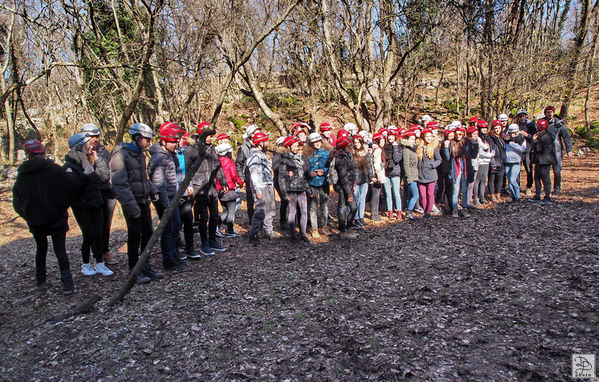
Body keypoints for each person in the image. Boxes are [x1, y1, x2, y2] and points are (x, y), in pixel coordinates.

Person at [13, 140, 75, 294]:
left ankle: (41, 282)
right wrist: (60, 209)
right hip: (57, 218)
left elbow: (17, 201)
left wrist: (28, 215)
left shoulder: (22, 176)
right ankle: (67, 284)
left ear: (28, 155)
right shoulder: (55, 170)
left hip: (36, 220)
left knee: (41, 249)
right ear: (43, 152)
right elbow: (69, 191)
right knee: (60, 250)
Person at [110, 122, 163, 284]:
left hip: (143, 201)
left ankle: (145, 265)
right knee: (135, 237)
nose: (149, 143)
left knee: (147, 234)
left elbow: (142, 179)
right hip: (132, 203)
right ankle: (133, 270)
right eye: (147, 139)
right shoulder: (121, 155)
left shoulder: (140, 154)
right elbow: (119, 183)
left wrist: (152, 189)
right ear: (137, 138)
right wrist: (132, 207)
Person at [64, 133, 113, 277]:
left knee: (99, 234)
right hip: (82, 206)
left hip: (96, 202)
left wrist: (97, 159)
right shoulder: (69, 166)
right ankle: (86, 264)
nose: (91, 145)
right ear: (79, 146)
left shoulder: (90, 160)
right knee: (89, 235)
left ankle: (99, 263)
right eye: (87, 143)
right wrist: (85, 175)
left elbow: (104, 177)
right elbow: (72, 188)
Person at [148, 123, 186, 271]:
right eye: (172, 141)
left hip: (174, 197)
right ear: (163, 141)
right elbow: (158, 184)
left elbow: (177, 177)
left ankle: (174, 254)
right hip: (166, 200)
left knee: (175, 227)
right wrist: (165, 204)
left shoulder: (172, 156)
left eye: (176, 141)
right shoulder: (158, 158)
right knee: (168, 229)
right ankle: (168, 259)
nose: (175, 144)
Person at [186, 123, 227, 256]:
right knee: (203, 217)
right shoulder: (192, 150)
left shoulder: (212, 149)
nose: (210, 138)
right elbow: (187, 171)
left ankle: (212, 240)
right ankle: (204, 244)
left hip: (212, 187)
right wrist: (190, 185)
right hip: (199, 188)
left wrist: (223, 181)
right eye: (208, 135)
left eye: (211, 136)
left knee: (214, 215)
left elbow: (218, 167)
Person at [81, 123, 118, 265]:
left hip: (106, 192)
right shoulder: (81, 154)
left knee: (105, 225)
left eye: (97, 136)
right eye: (92, 136)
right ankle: (94, 253)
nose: (95, 139)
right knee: (93, 227)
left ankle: (104, 251)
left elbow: (109, 171)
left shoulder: (103, 151)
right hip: (91, 194)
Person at [247, 131, 278, 245]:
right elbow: (254, 173)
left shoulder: (263, 154)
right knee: (260, 210)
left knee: (270, 209)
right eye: (265, 141)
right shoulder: (254, 155)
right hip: (260, 186)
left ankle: (268, 230)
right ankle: (254, 234)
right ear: (259, 142)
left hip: (268, 184)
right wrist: (257, 189)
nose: (267, 143)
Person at [278, 136, 310, 243]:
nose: (297, 148)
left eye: (297, 146)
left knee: (304, 211)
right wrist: (284, 194)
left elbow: (306, 172)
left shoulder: (301, 158)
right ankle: (293, 235)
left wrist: (308, 189)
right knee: (292, 212)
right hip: (291, 189)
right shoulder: (284, 160)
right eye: (295, 146)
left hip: (302, 188)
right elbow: (281, 178)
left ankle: (303, 234)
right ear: (289, 147)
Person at [175, 131, 201, 259]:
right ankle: (176, 248)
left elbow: (187, 170)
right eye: (178, 139)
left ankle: (190, 248)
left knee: (188, 220)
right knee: (175, 223)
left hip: (185, 191)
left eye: (181, 139)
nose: (180, 141)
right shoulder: (169, 155)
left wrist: (189, 183)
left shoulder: (182, 153)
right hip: (174, 193)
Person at [330, 129, 358, 238]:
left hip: (348, 185)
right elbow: (343, 177)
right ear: (343, 146)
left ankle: (348, 226)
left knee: (352, 208)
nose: (351, 146)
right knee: (344, 206)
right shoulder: (340, 159)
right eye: (349, 145)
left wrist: (354, 180)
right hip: (342, 186)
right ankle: (343, 229)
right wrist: (349, 193)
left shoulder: (348, 155)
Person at [215, 138, 244, 237]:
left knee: (225, 211)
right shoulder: (229, 162)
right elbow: (234, 175)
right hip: (229, 189)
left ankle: (216, 226)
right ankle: (229, 230)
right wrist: (241, 183)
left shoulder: (216, 161)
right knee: (231, 211)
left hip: (219, 190)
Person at [542, 105, 573, 195]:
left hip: (557, 150)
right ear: (545, 113)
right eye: (548, 112)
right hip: (545, 151)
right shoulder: (542, 123)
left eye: (551, 112)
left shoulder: (559, 124)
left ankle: (557, 189)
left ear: (554, 113)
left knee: (557, 171)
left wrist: (569, 150)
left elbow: (566, 137)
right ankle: (546, 188)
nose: (549, 114)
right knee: (545, 172)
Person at [304, 132, 331, 237]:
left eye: (318, 141)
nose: (317, 144)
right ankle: (314, 228)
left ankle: (324, 226)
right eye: (314, 142)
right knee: (313, 206)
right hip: (312, 182)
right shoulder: (307, 155)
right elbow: (304, 168)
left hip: (324, 182)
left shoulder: (327, 153)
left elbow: (332, 167)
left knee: (324, 206)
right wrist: (309, 173)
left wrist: (324, 171)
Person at [236, 124, 261, 222]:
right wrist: (241, 177)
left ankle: (260, 219)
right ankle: (252, 219)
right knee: (250, 199)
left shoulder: (260, 145)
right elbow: (239, 163)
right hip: (248, 175)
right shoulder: (243, 148)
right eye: (256, 131)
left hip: (259, 176)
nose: (258, 133)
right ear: (251, 134)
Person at [417, 128, 442, 219]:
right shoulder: (419, 147)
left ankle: (428, 212)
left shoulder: (434, 148)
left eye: (430, 136)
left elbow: (439, 159)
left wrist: (432, 165)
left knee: (430, 193)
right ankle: (424, 210)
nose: (428, 138)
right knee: (423, 195)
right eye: (426, 136)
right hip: (420, 175)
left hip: (431, 174)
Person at [352, 134, 375, 227]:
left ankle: (361, 216)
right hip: (355, 179)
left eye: (358, 142)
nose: (357, 144)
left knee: (362, 199)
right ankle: (356, 218)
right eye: (355, 142)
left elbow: (369, 165)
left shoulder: (365, 152)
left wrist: (371, 176)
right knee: (356, 199)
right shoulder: (352, 153)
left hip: (364, 178)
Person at [530, 119, 555, 204]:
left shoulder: (545, 137)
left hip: (545, 161)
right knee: (537, 178)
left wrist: (533, 140)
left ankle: (547, 197)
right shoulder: (541, 136)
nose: (537, 129)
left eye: (539, 127)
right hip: (539, 160)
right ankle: (537, 195)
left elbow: (538, 148)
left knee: (546, 179)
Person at [514, 109, 537, 196]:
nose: (522, 118)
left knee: (528, 168)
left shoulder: (530, 125)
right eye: (520, 116)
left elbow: (535, 138)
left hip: (527, 150)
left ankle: (529, 186)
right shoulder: (516, 125)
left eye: (523, 116)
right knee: (517, 169)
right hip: (518, 150)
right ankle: (517, 186)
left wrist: (527, 135)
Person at [472, 120, 494, 205]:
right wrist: (490, 155)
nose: (484, 130)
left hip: (486, 161)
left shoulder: (486, 138)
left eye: (485, 128)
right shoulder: (478, 138)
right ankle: (476, 197)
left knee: (484, 180)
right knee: (477, 180)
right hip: (480, 161)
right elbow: (480, 151)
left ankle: (482, 196)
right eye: (482, 128)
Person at [383, 128, 403, 221]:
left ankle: (399, 211)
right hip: (386, 172)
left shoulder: (399, 147)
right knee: (388, 193)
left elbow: (397, 159)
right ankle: (390, 211)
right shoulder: (385, 147)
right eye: (389, 136)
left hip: (395, 172)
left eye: (392, 136)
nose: (390, 137)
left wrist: (395, 147)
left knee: (396, 193)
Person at [504, 124, 527, 202]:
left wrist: (512, 143)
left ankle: (518, 196)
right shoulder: (505, 139)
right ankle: (513, 196)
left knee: (513, 179)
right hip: (507, 161)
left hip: (516, 162)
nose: (513, 134)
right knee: (509, 181)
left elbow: (523, 149)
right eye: (511, 132)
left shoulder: (521, 139)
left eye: (515, 132)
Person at [401, 131, 420, 220]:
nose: (413, 141)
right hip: (410, 176)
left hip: (415, 175)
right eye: (411, 139)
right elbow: (406, 164)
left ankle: (409, 212)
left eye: (414, 139)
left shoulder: (412, 149)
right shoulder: (406, 150)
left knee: (410, 195)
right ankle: (409, 212)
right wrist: (408, 177)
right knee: (416, 195)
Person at [487, 120, 506, 202]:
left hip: (501, 162)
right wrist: (492, 163)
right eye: (495, 128)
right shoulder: (491, 138)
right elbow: (491, 151)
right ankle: (492, 195)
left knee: (500, 180)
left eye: (499, 128)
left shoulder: (501, 138)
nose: (497, 130)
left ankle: (498, 194)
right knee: (492, 179)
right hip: (494, 162)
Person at [370, 132, 387, 222]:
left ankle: (375, 212)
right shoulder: (378, 150)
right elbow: (376, 164)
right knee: (375, 195)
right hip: (377, 175)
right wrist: (378, 174)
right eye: (382, 140)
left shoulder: (379, 149)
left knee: (376, 195)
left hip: (378, 174)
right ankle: (374, 213)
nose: (383, 142)